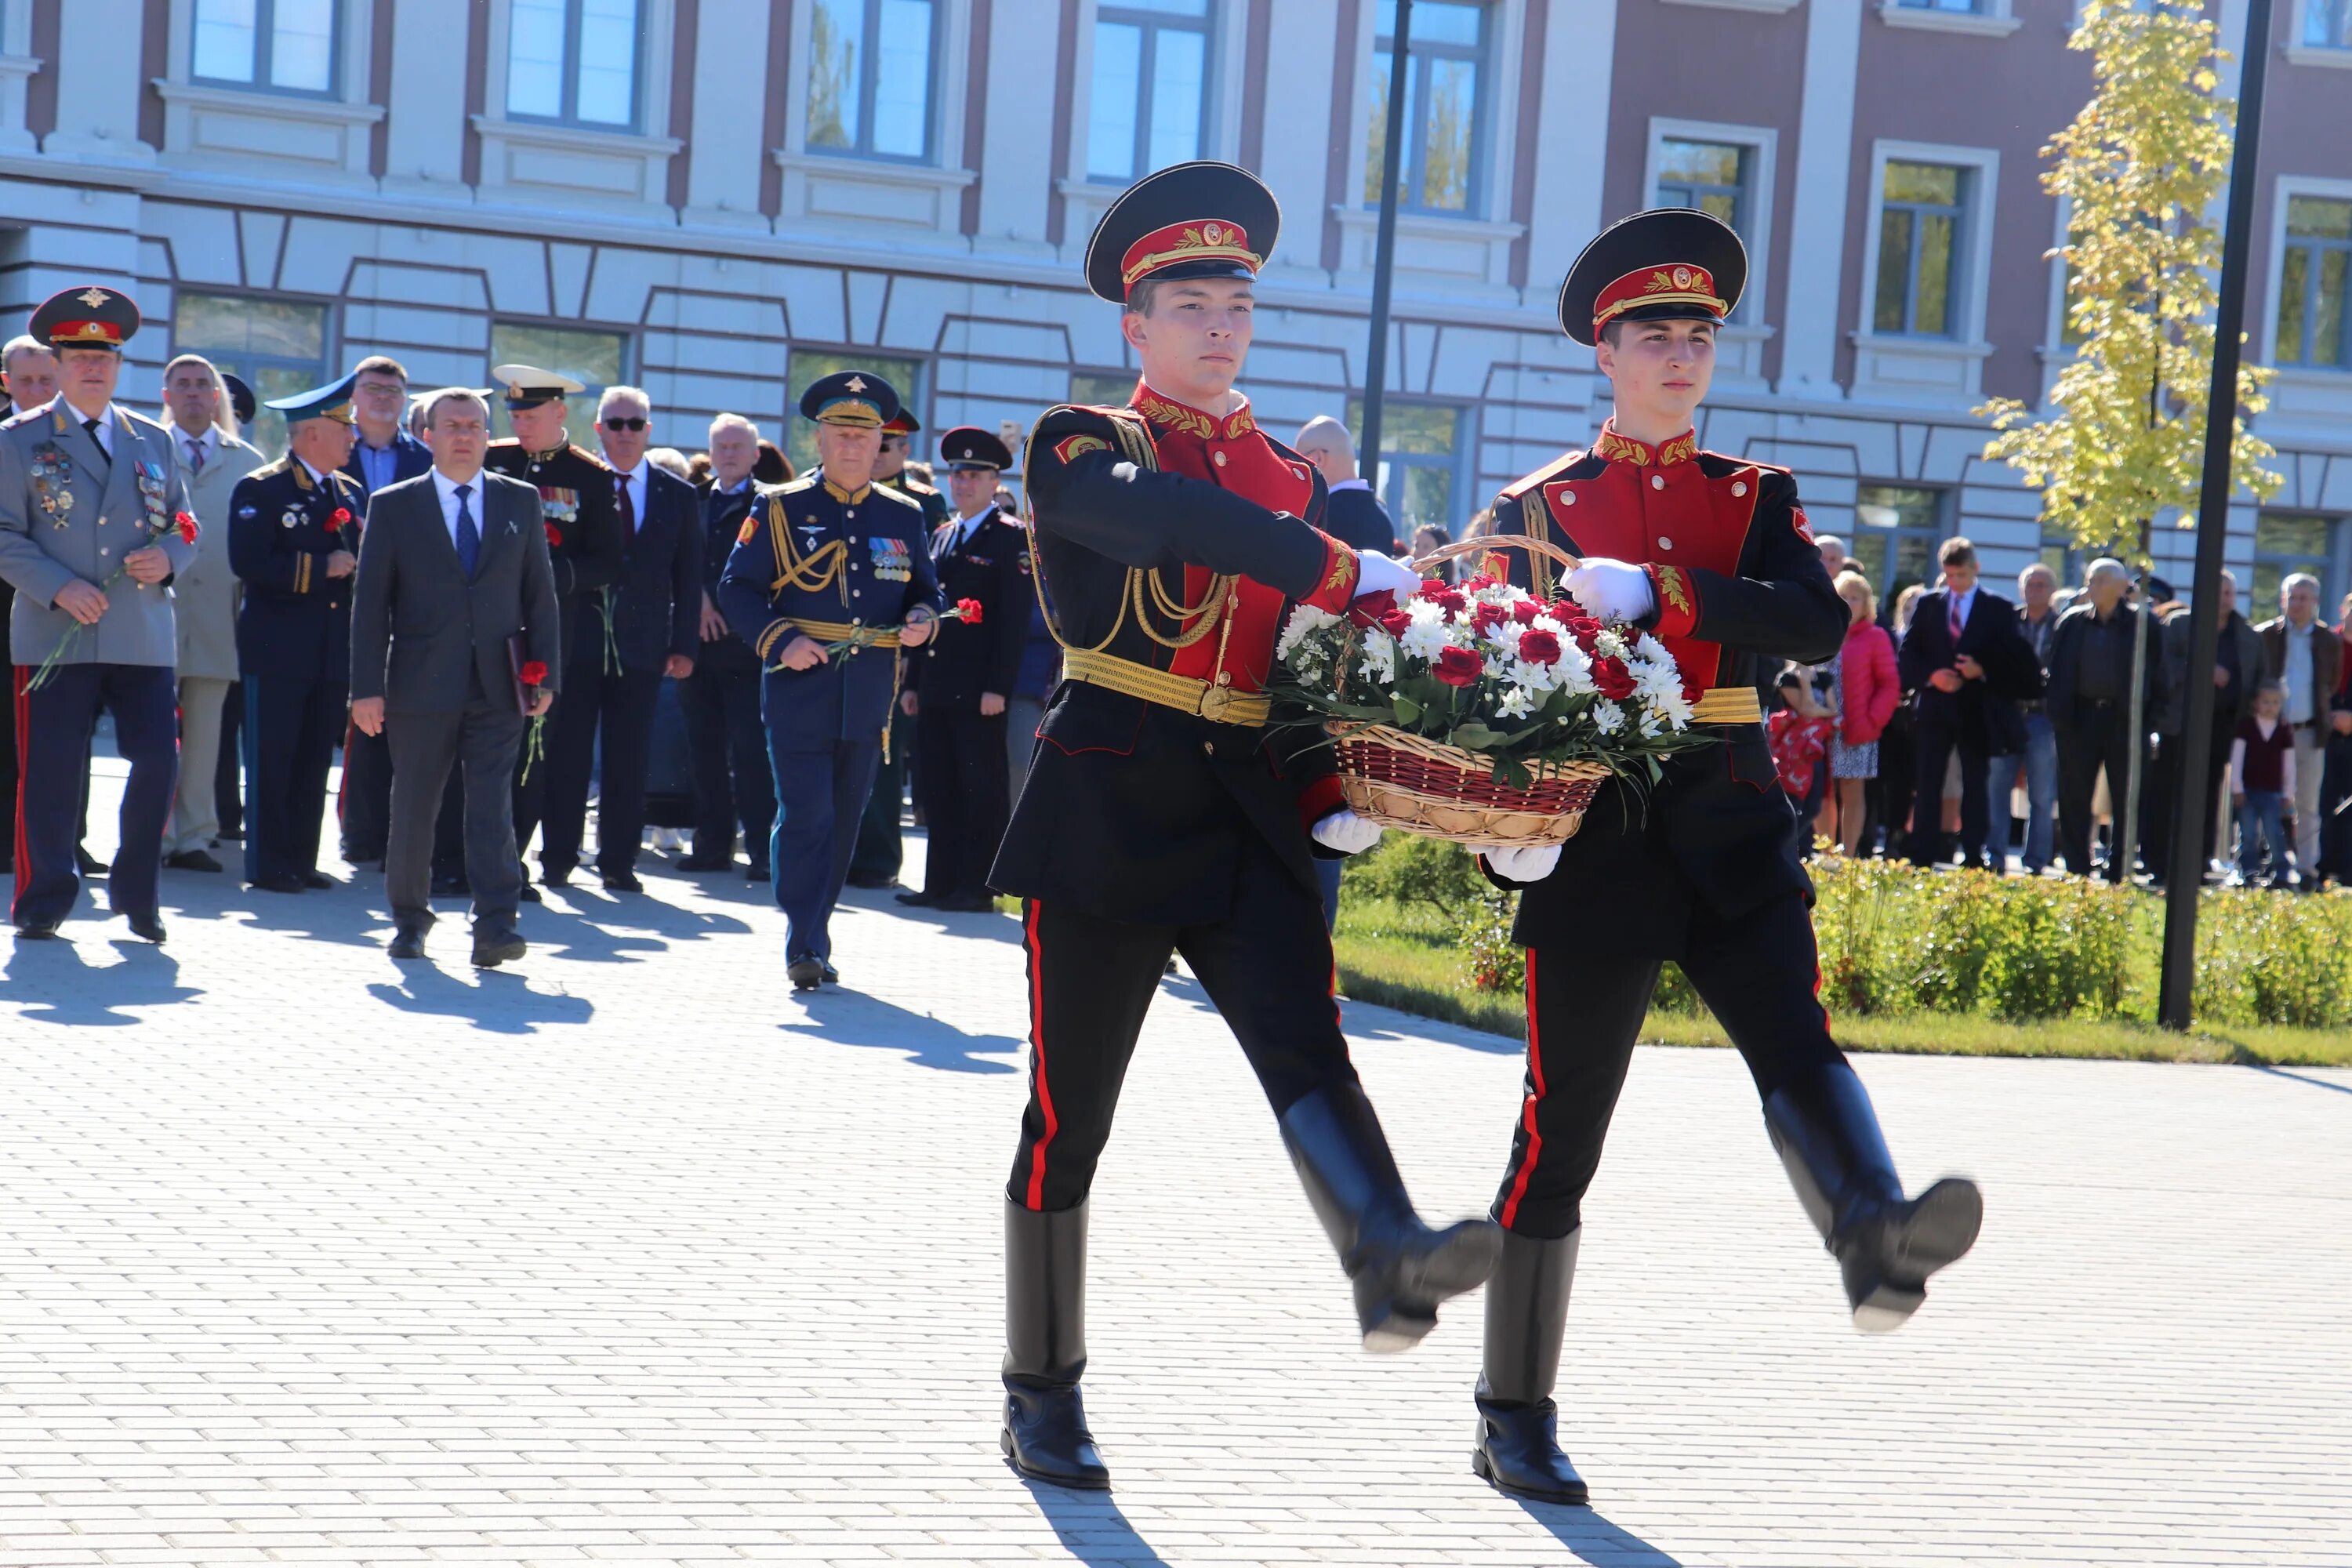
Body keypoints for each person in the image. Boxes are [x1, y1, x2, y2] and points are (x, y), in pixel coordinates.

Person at [989, 161, 1495, 1491]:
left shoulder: (1289, 472)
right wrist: (1334, 560)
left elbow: (1303, 662)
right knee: (1071, 1114)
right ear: (1135, 328)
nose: (1220, 326)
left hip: (1242, 805)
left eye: (1237, 305)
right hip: (1110, 790)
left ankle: (1385, 1248)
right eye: (1190, 303)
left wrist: (1351, 779)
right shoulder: (1086, 442)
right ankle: (1041, 1392)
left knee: (1305, 1037)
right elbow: (1159, 523)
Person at [1474, 209, 1980, 1506]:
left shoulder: (1756, 499)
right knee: (1564, 1122)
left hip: (1732, 811)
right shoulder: (1534, 511)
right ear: (1607, 351)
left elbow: (1813, 612)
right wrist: (1501, 842)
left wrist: (1674, 597)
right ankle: (1514, 1411)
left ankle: (1870, 1229)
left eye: (1700, 334)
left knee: (1794, 1036)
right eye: (1657, 334)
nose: (1684, 355)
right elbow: (1487, 701)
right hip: (1599, 829)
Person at [717, 370, 941, 989]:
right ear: (819, 439)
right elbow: (737, 588)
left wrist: (924, 619)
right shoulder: (780, 506)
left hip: (869, 688)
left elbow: (926, 591)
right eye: (840, 433)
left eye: (863, 436)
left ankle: (816, 932)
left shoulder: (905, 514)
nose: (851, 446)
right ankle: (803, 938)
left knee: (845, 818)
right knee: (807, 813)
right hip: (799, 687)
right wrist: (781, 640)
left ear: (879, 445)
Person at [0, 286, 197, 942]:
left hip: (140, 631)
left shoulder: (151, 440)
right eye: (79, 355)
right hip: (56, 631)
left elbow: (187, 522)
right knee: (52, 773)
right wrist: (57, 586)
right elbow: (3, 534)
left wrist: (168, 556)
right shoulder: (18, 440)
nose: (93, 367)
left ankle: (136, 894)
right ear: (55, 363)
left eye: (104, 356)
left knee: (157, 761)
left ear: (119, 365)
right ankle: (45, 896)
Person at [349, 387, 562, 966]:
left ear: (489, 437)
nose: (464, 436)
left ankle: (495, 925)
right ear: (430, 436)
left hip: (500, 683)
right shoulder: (396, 504)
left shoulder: (520, 501)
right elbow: (371, 605)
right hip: (420, 684)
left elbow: (539, 595)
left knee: (493, 806)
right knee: (416, 804)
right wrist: (365, 688)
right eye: (452, 426)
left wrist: (547, 676)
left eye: (474, 426)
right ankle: (410, 920)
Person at [537, 387, 700, 891]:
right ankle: (558, 857)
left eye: (634, 424)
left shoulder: (678, 493)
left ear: (649, 431)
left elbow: (687, 576)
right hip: (577, 639)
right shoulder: (577, 482)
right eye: (615, 423)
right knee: (567, 752)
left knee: (630, 757)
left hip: (643, 643)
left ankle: (618, 860)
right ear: (599, 429)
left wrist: (684, 645)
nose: (625, 433)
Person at [483, 365, 625, 894]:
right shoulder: (495, 460)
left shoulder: (590, 475)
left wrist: (551, 578)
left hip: (556, 630)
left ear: (560, 413)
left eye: (531, 415)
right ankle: (493, 855)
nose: (521, 425)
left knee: (546, 750)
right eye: (515, 414)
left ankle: (538, 855)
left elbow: (609, 561)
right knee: (495, 745)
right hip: (492, 626)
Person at [227, 372, 366, 893]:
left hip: (331, 649)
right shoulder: (263, 488)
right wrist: (319, 565)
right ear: (311, 434)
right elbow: (249, 561)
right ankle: (268, 864)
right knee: (273, 757)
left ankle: (301, 859)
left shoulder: (349, 491)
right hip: (277, 649)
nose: (352, 437)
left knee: (313, 759)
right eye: (343, 428)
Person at [895, 426, 1028, 912]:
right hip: (936, 683)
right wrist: (913, 680)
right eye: (958, 475)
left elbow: (1012, 625)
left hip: (978, 690)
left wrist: (998, 687)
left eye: (974, 475)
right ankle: (939, 883)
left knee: (980, 788)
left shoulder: (1010, 539)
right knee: (939, 787)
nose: (964, 483)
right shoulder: (943, 535)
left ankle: (977, 887)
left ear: (996, 481)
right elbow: (925, 612)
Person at [158, 354, 264, 875]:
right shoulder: (144, 451)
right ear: (168, 396)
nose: (196, 393)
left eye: (205, 385)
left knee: (206, 734)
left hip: (219, 616)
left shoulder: (247, 461)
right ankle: (154, 833)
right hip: (155, 615)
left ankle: (195, 836)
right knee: (153, 732)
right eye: (185, 385)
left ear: (218, 396)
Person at [333, 355, 431, 869]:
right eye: (373, 390)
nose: (383, 400)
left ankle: (386, 833)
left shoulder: (423, 459)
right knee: (354, 721)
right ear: (354, 396)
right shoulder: (333, 447)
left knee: (392, 724)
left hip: (405, 609)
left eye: (394, 393)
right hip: (334, 601)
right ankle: (357, 831)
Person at [1896, 537, 2040, 870]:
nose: (1955, 583)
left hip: (1977, 709)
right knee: (1928, 780)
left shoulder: (1997, 608)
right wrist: (1933, 677)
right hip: (1935, 706)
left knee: (1976, 782)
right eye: (1949, 576)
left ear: (1975, 569)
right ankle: (1923, 855)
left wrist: (1982, 670)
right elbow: (1908, 656)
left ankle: (1974, 856)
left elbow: (2015, 662)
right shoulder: (1930, 604)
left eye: (1961, 575)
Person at [679, 414, 777, 881]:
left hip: (748, 650)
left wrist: (731, 612)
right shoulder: (691, 501)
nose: (730, 455)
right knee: (704, 749)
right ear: (710, 453)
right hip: (698, 645)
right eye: (722, 447)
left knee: (752, 753)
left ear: (756, 454)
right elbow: (677, 561)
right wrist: (698, 600)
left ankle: (761, 850)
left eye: (739, 447)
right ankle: (712, 846)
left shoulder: (773, 504)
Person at [2145, 569, 2260, 887]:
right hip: (2178, 724)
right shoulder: (2180, 625)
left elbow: (2256, 677)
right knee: (2168, 794)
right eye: (2216, 591)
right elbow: (2163, 669)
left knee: (2208, 797)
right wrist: (2203, 670)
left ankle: (2198, 866)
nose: (2222, 599)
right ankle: (2160, 864)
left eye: (2227, 593)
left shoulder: (2246, 634)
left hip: (2222, 727)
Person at [2045, 558, 2158, 882]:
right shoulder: (2072, 623)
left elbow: (2158, 674)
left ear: (2119, 587)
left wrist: (2150, 721)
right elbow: (2056, 670)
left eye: (2097, 581)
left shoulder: (2143, 625)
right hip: (2079, 719)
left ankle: (2119, 868)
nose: (2090, 587)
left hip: (2124, 722)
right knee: (2074, 796)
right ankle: (2077, 868)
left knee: (2126, 796)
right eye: (2090, 580)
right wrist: (2060, 717)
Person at [2258, 573, 2348, 887]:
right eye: (2292, 597)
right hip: (2271, 732)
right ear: (2283, 600)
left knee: (2308, 803)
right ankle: (2270, 864)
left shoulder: (2328, 641)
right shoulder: (2268, 635)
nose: (2297, 603)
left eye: (2304, 598)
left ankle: (2308, 869)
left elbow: (2332, 683)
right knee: (2267, 799)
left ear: (2316, 603)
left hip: (2310, 732)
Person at [1993, 563, 2063, 875]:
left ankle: (2035, 861)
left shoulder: (2063, 626)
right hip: (2008, 713)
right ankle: (1994, 856)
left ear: (2052, 590)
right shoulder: (2007, 622)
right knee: (1997, 787)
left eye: (2041, 585)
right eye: (2030, 584)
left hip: (2042, 716)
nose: (2035, 590)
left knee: (2042, 794)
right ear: (2021, 589)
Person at [1827, 571, 1898, 856]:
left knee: (1852, 791)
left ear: (1866, 603)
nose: (1848, 602)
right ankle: (1825, 854)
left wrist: (1872, 722)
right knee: (1823, 793)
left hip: (1857, 728)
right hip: (1822, 726)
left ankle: (1848, 855)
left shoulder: (1875, 636)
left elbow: (1889, 684)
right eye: (1843, 595)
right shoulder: (1825, 631)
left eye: (1855, 597)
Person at [1295, 414, 1399, 554]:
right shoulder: (1381, 514)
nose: (1295, 469)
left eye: (1298, 459)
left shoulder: (1321, 514)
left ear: (1318, 458)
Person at [2230, 679, 2297, 886]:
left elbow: (2289, 764)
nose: (2271, 706)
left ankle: (2282, 871)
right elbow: (2237, 758)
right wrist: (2237, 788)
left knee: (2274, 832)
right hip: (2248, 790)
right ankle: (2248, 869)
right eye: (2266, 701)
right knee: (2248, 833)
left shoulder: (2284, 730)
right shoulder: (2246, 728)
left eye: (2276, 702)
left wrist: (2288, 793)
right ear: (2256, 703)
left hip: (2273, 792)